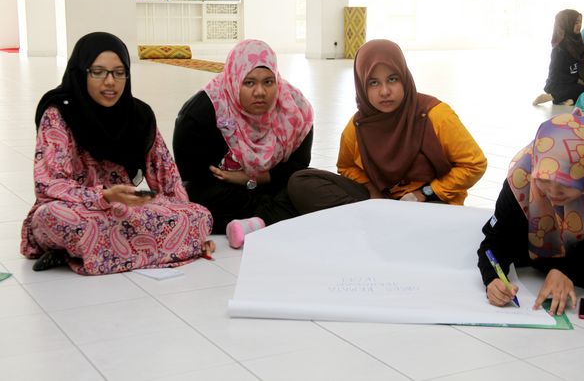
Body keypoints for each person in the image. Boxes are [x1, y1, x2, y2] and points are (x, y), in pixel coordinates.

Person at [21, 32, 214, 274]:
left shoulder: (139, 115)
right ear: (81, 73)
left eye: (119, 72)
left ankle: (84, 253)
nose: (110, 82)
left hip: (125, 210)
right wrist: (103, 196)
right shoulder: (59, 113)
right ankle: (163, 250)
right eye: (98, 72)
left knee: (200, 215)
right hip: (76, 209)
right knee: (55, 217)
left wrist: (190, 222)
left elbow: (167, 176)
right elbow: (49, 184)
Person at [287, 39, 487, 213]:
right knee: (300, 182)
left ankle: (373, 220)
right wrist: (373, 192)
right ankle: (379, 217)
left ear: (405, 78)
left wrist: (426, 192)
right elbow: (346, 166)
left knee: (426, 217)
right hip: (382, 200)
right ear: (361, 85)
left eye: (392, 79)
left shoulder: (434, 115)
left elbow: (475, 164)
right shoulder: (358, 126)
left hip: (430, 203)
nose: (384, 91)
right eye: (373, 83)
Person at [477, 110, 584, 315]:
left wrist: (567, 270)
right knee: (510, 245)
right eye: (544, 180)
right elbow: (494, 240)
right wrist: (492, 279)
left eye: (566, 184)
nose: (553, 193)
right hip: (544, 243)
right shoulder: (523, 174)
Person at [173, 39, 313, 249]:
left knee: (309, 183)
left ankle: (256, 221)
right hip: (224, 191)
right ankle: (273, 217)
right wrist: (237, 182)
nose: (260, 92)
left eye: (268, 82)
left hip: (271, 184)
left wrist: (251, 178)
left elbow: (297, 167)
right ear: (234, 79)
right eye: (249, 83)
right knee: (191, 196)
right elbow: (192, 174)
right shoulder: (202, 112)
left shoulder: (295, 109)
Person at [533, 9, 584, 106]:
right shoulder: (559, 48)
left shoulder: (579, 42)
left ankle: (564, 99)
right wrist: (575, 80)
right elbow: (555, 74)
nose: (579, 25)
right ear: (567, 24)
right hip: (559, 84)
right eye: (575, 22)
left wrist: (582, 79)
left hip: (573, 82)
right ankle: (552, 96)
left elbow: (583, 65)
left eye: (580, 22)